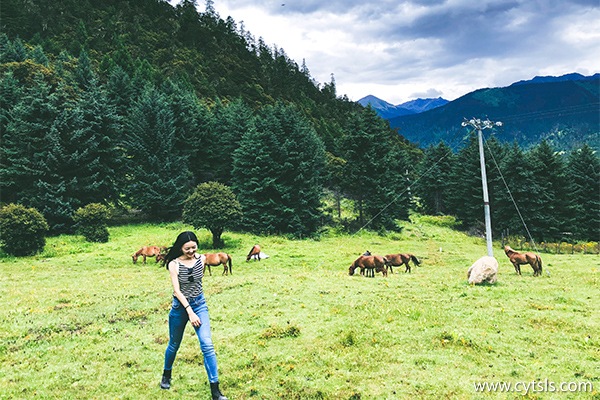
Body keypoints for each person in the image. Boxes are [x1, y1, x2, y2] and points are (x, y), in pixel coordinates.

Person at [159, 231, 227, 400]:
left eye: (193, 247)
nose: (191, 251)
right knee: (174, 344)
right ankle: (166, 374)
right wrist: (189, 311)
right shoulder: (174, 264)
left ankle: (215, 390)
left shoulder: (202, 259)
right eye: (187, 248)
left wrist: (195, 308)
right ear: (180, 247)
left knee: (207, 344)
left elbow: (197, 282)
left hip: (199, 304)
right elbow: (177, 290)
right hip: (180, 308)